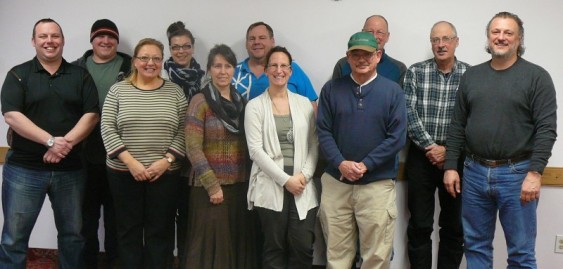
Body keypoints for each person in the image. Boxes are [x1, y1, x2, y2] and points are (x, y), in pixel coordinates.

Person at [444, 11, 557, 269]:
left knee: (521, 253)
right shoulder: (472, 76)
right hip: (473, 172)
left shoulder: (537, 77)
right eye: (496, 32)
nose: (501, 37)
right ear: (488, 37)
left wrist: (535, 173)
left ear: (519, 39)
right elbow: (458, 125)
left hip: (517, 175)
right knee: (475, 246)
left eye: (508, 33)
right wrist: (451, 166)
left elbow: (547, 129)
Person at [0, 18, 99, 268]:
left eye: (55, 36)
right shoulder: (18, 74)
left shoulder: (80, 76)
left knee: (73, 237)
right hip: (23, 170)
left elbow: (92, 115)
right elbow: (12, 115)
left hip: (71, 171)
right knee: (14, 238)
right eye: (43, 36)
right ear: (33, 41)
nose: (49, 41)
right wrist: (50, 141)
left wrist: (63, 145)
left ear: (62, 40)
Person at [317, 32, 407, 269]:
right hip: (337, 184)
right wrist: (341, 163)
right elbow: (323, 131)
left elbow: (397, 138)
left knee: (376, 257)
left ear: (377, 55)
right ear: (347, 57)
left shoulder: (393, 92)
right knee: (337, 256)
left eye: (367, 54)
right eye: (355, 54)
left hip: (376, 186)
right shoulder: (331, 90)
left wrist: (366, 164)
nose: (361, 59)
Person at [101, 38, 187, 269]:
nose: (151, 63)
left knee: (160, 231)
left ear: (162, 61)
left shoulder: (175, 92)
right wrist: (130, 163)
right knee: (128, 230)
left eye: (156, 58)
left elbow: (183, 130)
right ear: (135, 61)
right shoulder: (118, 91)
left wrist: (166, 161)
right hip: (123, 173)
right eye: (144, 58)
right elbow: (107, 127)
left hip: (165, 175)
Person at [403, 21, 470, 269]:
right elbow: (408, 113)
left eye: (446, 39)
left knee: (454, 226)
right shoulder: (415, 72)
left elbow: (472, 119)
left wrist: (449, 152)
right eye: (435, 40)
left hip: (457, 159)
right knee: (420, 224)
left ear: (456, 41)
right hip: (421, 157)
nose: (440, 45)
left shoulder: (471, 75)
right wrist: (432, 147)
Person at [245, 46, 318, 269]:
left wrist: (303, 176)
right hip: (270, 185)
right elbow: (255, 151)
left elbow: (314, 144)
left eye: (283, 65)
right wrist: (286, 180)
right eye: (274, 66)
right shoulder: (254, 106)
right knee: (273, 249)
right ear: (266, 70)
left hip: (302, 185)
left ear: (290, 70)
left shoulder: (304, 104)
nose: (279, 70)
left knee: (302, 247)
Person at [184, 44, 255, 269]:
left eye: (228, 66)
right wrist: (213, 186)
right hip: (209, 190)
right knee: (208, 251)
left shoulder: (241, 102)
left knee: (235, 246)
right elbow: (192, 148)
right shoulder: (200, 101)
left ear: (235, 69)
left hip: (239, 187)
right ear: (209, 70)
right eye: (217, 66)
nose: (222, 71)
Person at [72, 18, 132, 268]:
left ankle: (115, 263)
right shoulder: (76, 68)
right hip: (84, 155)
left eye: (111, 37)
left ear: (117, 41)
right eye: (100, 36)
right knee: (85, 218)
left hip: (122, 154)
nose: (106, 41)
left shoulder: (131, 66)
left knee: (119, 217)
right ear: (92, 40)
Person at [162, 21, 205, 269]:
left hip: (194, 160)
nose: (180, 51)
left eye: (185, 46)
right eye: (175, 47)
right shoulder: (160, 75)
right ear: (169, 48)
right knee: (164, 216)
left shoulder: (205, 79)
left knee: (190, 217)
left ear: (193, 47)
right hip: (165, 157)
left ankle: (188, 262)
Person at [232, 22, 318, 110]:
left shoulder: (290, 68)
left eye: (262, 38)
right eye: (252, 39)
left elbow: (311, 105)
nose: (256, 42)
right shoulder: (232, 72)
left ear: (272, 41)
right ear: (246, 44)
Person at [332, 15, 406, 86]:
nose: (374, 36)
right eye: (370, 31)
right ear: (362, 33)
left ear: (387, 36)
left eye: (380, 32)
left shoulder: (399, 68)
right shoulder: (342, 65)